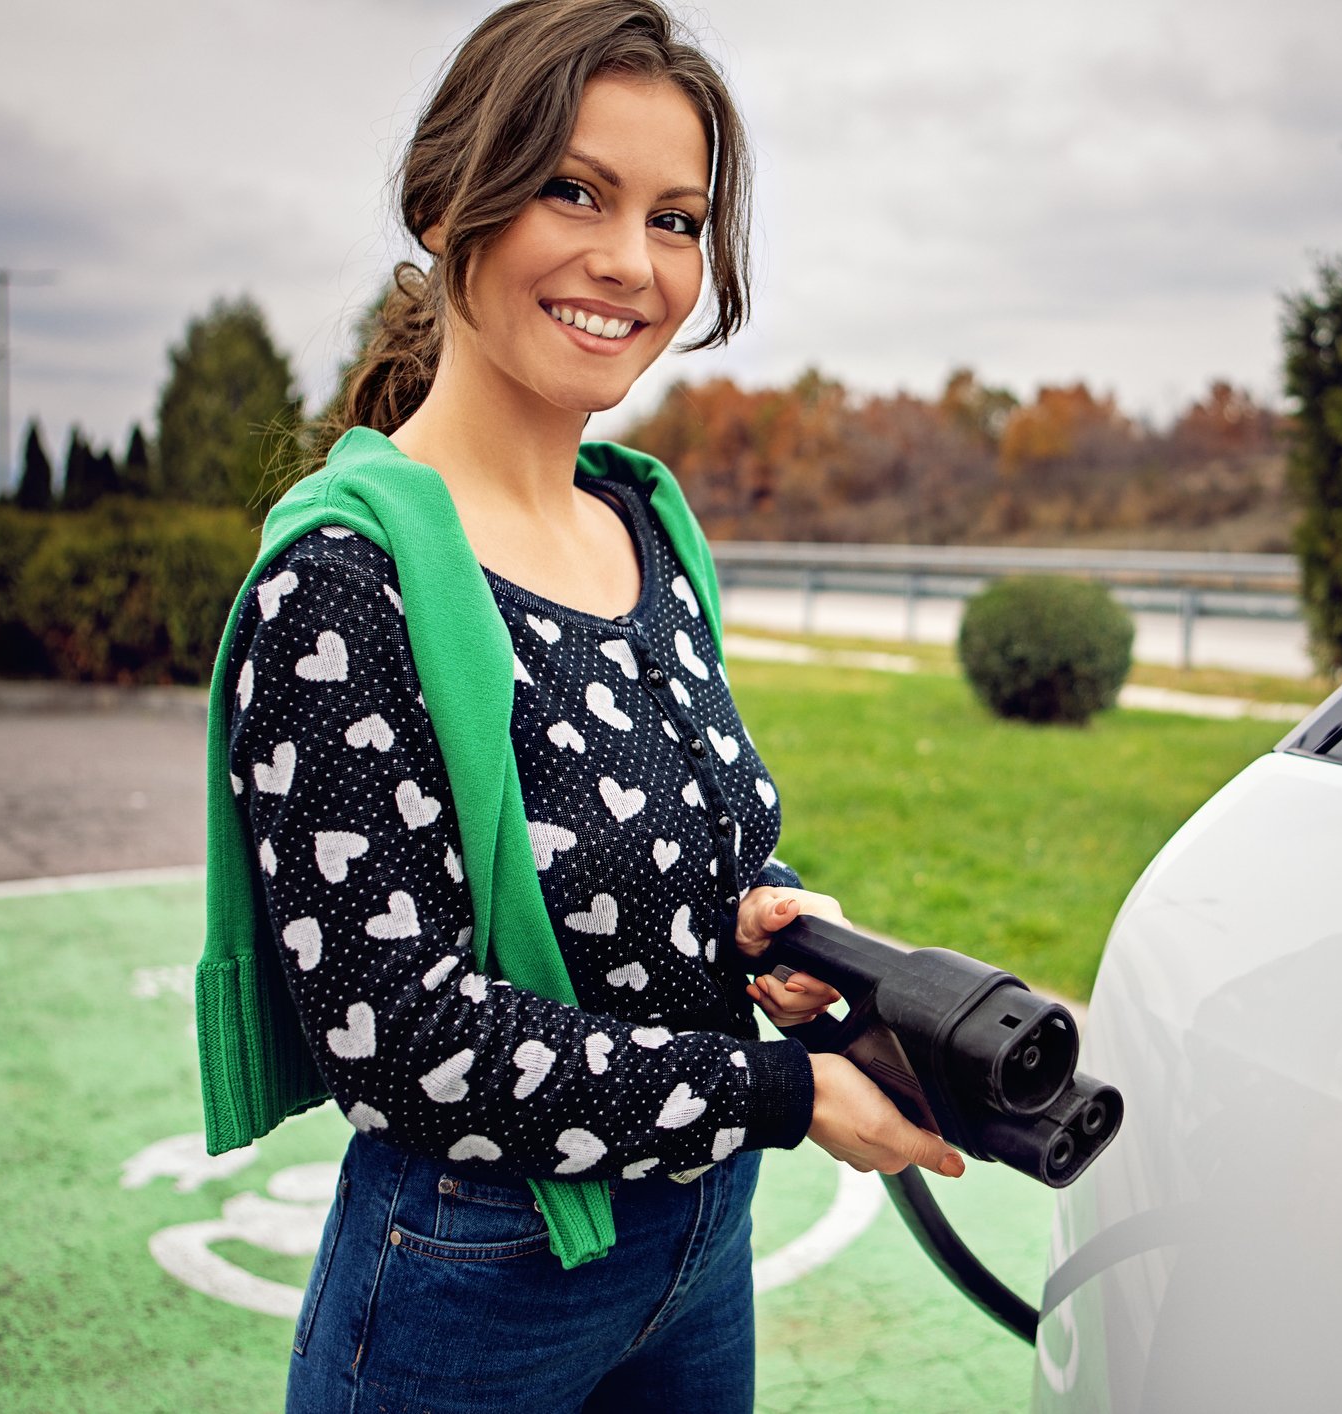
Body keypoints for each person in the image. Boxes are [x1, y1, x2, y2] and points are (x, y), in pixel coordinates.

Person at [193, 3, 963, 1410]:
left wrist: (775, 927)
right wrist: (782, 1095)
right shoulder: (343, 585)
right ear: (445, 205)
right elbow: (405, 1044)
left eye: (678, 218)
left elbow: (677, 846)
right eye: (573, 191)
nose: (632, 262)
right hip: (471, 1279)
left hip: (693, 1241)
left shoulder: (644, 527)